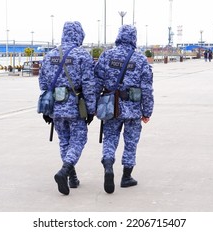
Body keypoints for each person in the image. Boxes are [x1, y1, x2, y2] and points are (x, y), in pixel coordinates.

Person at [94, 24, 154, 194]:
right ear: (134, 38)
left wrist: (94, 106)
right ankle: (126, 177)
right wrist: (147, 111)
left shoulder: (107, 55)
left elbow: (96, 82)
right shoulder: (140, 59)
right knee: (131, 142)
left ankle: (108, 165)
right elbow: (147, 89)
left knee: (110, 138)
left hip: (111, 107)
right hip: (133, 110)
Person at [38, 21, 96, 196]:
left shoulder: (49, 56)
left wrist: (48, 110)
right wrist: (91, 109)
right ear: (79, 35)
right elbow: (89, 85)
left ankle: (72, 178)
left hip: (55, 105)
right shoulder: (82, 55)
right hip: (75, 106)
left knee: (64, 141)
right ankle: (64, 171)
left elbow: (43, 83)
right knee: (79, 140)